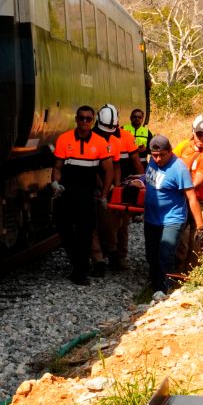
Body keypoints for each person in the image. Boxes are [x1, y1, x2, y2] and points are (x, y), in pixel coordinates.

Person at [128, 135, 203, 300]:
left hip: (172, 219)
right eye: (154, 155)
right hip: (151, 218)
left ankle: (164, 290)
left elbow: (191, 197)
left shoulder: (179, 169)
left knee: (165, 254)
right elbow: (152, 180)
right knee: (151, 254)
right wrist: (140, 180)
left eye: (162, 155)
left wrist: (201, 226)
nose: (158, 159)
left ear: (170, 151)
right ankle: (155, 283)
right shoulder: (152, 161)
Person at [51, 105, 114, 285]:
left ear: (92, 121)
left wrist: (103, 195)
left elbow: (108, 170)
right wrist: (55, 183)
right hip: (66, 193)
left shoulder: (100, 142)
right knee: (64, 229)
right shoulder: (64, 139)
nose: (85, 122)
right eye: (81, 118)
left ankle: (80, 272)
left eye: (88, 119)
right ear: (76, 119)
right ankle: (77, 263)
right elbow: (57, 166)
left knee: (85, 232)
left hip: (87, 195)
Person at [90, 104, 145, 276]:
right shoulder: (93, 138)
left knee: (122, 225)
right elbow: (94, 170)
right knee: (101, 224)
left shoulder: (122, 138)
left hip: (119, 187)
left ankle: (118, 257)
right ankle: (103, 257)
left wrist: (142, 183)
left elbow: (120, 165)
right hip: (99, 187)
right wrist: (105, 189)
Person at [173, 115, 203, 273]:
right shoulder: (185, 147)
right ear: (193, 132)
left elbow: (196, 184)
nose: (201, 138)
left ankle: (193, 275)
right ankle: (177, 274)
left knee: (198, 240)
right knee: (179, 237)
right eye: (198, 134)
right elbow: (171, 161)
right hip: (184, 198)